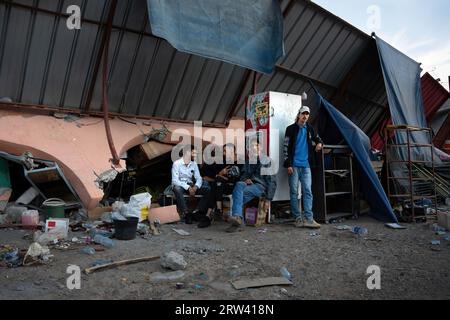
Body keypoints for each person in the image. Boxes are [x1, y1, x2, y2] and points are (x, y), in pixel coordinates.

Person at [284, 106, 323, 229]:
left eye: (307, 114)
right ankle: (297, 218)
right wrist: (288, 164)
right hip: (294, 166)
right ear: (299, 114)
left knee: (308, 191)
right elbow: (285, 147)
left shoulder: (310, 129)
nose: (305, 116)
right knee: (294, 192)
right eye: (303, 114)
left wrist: (319, 144)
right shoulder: (290, 129)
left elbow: (319, 139)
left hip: (306, 166)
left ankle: (309, 219)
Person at [226, 140, 277, 233]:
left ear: (260, 147)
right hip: (249, 186)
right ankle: (238, 218)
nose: (254, 148)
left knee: (236, 195)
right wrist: (246, 179)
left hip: (260, 186)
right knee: (239, 185)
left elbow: (272, 181)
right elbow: (243, 176)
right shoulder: (249, 161)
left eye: (256, 145)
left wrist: (268, 199)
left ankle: (237, 221)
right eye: (251, 146)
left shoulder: (267, 161)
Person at [197, 143, 242, 228]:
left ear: (233, 152)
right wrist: (220, 174)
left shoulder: (240, 162)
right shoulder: (222, 161)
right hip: (220, 187)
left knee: (217, 182)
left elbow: (236, 179)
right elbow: (205, 175)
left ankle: (210, 214)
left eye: (226, 151)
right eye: (223, 151)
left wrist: (220, 176)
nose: (224, 153)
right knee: (217, 182)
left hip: (233, 187)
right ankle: (215, 211)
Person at [171, 145, 210, 224]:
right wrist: (188, 187)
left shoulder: (194, 164)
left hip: (192, 186)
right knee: (177, 188)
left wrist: (196, 186)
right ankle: (186, 213)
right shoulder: (177, 163)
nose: (195, 155)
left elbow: (199, 178)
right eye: (193, 153)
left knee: (208, 189)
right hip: (181, 186)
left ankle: (197, 211)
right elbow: (175, 180)